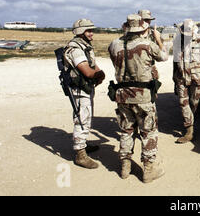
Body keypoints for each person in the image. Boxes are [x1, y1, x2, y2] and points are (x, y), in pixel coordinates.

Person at [108, 14, 168, 182]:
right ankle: (148, 170)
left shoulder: (114, 44)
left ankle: (125, 167)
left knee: (126, 131)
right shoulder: (148, 44)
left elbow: (116, 62)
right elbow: (164, 57)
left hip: (122, 96)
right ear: (143, 29)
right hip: (143, 97)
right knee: (148, 132)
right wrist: (158, 39)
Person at [63, 19, 105, 169]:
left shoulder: (84, 46)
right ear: (80, 32)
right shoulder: (76, 49)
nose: (92, 33)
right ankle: (80, 154)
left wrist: (99, 73)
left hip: (85, 87)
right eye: (88, 31)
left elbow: (92, 65)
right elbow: (87, 71)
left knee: (85, 117)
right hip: (80, 89)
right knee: (82, 119)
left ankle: (83, 145)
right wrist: (99, 74)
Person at [173, 19, 200, 144]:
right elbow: (175, 61)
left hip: (196, 77)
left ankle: (190, 122)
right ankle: (189, 131)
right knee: (183, 102)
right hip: (181, 77)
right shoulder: (177, 41)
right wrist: (174, 77)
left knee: (194, 103)